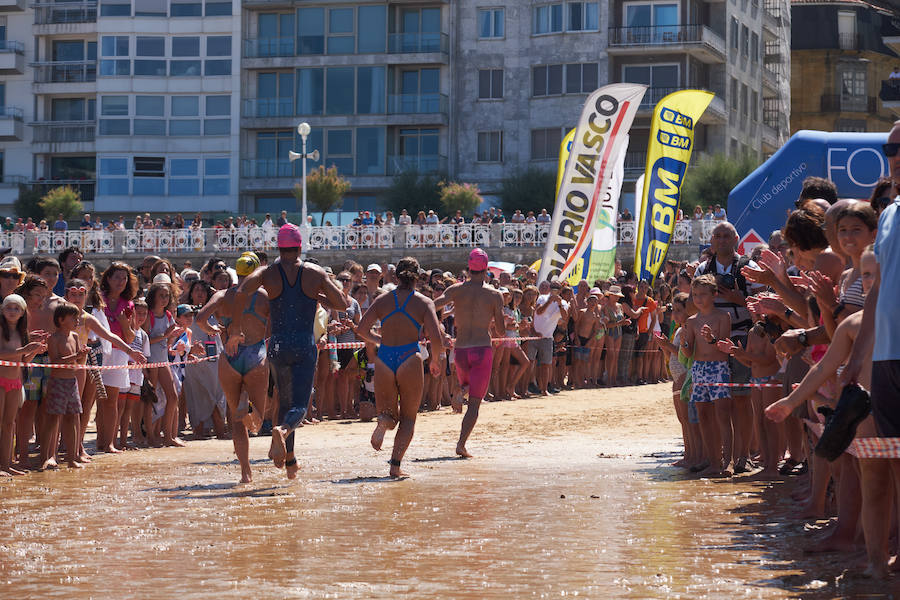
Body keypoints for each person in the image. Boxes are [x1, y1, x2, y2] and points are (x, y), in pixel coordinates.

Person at [235, 224, 347, 479]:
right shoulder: (314, 273)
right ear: (299, 247)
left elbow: (243, 289)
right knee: (299, 406)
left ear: (279, 248)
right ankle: (282, 432)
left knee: (284, 403)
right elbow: (342, 303)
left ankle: (291, 461)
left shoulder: (268, 272)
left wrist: (262, 277)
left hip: (277, 344)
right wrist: (319, 296)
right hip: (303, 344)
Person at [841, 120, 900, 579]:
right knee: (887, 459)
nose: (894, 155)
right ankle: (880, 568)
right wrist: (857, 358)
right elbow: (875, 293)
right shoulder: (892, 215)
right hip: (885, 363)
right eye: (889, 148)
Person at [355, 256, 444, 478]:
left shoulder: (383, 300)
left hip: (384, 359)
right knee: (408, 418)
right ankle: (395, 466)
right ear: (417, 277)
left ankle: (383, 422)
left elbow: (362, 329)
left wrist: (378, 341)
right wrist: (434, 360)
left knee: (388, 413)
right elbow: (436, 339)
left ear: (395, 276)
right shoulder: (424, 302)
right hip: (408, 357)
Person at [197, 253, 270, 483]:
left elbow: (200, 318)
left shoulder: (221, 295)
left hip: (229, 357)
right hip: (255, 354)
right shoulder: (264, 296)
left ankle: (245, 472)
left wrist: (212, 331)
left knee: (235, 421)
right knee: (257, 422)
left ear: (236, 274)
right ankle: (248, 409)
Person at [433, 248, 505, 458]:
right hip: (481, 348)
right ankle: (461, 444)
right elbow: (500, 331)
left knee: (466, 385)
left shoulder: (456, 290)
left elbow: (432, 305)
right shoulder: (494, 294)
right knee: (475, 401)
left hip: (461, 349)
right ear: (486, 268)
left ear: (469, 267)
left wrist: (437, 328)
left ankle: (459, 390)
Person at [681, 274, 732, 478]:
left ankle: (727, 461)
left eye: (703, 294)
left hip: (718, 367)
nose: (698, 299)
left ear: (714, 294)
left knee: (723, 415)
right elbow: (688, 352)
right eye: (695, 295)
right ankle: (713, 461)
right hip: (699, 369)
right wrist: (684, 342)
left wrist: (712, 339)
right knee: (704, 415)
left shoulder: (722, 317)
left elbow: (724, 347)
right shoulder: (692, 321)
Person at [0, 294, 45, 476]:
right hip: (1, 381)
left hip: (15, 382)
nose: (12, 311)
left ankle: (6, 463)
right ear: (2, 311)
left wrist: (34, 350)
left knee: (10, 423)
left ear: (22, 313)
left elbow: (24, 360)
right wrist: (24, 350)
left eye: (16, 308)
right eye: (9, 307)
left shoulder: (22, 333)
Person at [42, 302, 89, 470]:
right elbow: (55, 361)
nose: (77, 321)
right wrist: (76, 355)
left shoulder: (75, 337)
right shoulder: (53, 338)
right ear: (61, 320)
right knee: (54, 419)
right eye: (73, 318)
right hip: (57, 382)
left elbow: (78, 361)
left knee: (72, 417)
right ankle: (47, 456)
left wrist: (82, 355)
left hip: (72, 382)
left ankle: (71, 457)